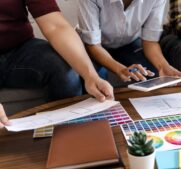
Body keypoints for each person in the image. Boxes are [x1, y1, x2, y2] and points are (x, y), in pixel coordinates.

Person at [0, 0, 114, 128]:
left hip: (20, 47)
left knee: (66, 69)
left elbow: (55, 25)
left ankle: (71, 133)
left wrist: (90, 75)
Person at [77, 0, 181, 83]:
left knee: (152, 75)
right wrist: (121, 69)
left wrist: (164, 66)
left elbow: (150, 41)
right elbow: (93, 45)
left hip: (128, 43)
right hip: (94, 47)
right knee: (100, 77)